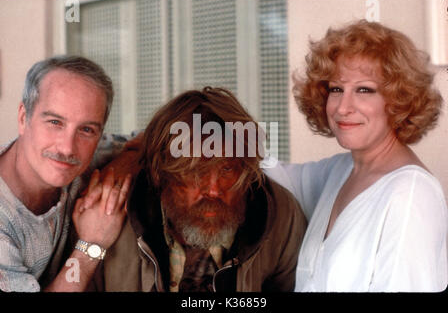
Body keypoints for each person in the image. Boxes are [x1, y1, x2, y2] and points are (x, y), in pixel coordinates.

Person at [264, 20, 448, 292]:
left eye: (364, 90)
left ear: (398, 100)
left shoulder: (410, 195)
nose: (343, 108)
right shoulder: (341, 170)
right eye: (336, 89)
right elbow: (276, 175)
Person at [95, 87, 307, 292]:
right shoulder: (110, 212)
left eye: (226, 169)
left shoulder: (279, 214)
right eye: (196, 171)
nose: (213, 190)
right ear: (161, 174)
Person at [0, 55, 134, 292]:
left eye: (86, 129)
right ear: (23, 118)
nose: (67, 148)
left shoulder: (89, 158)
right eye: (55, 122)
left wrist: (119, 168)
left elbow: (152, 139)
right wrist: (91, 246)